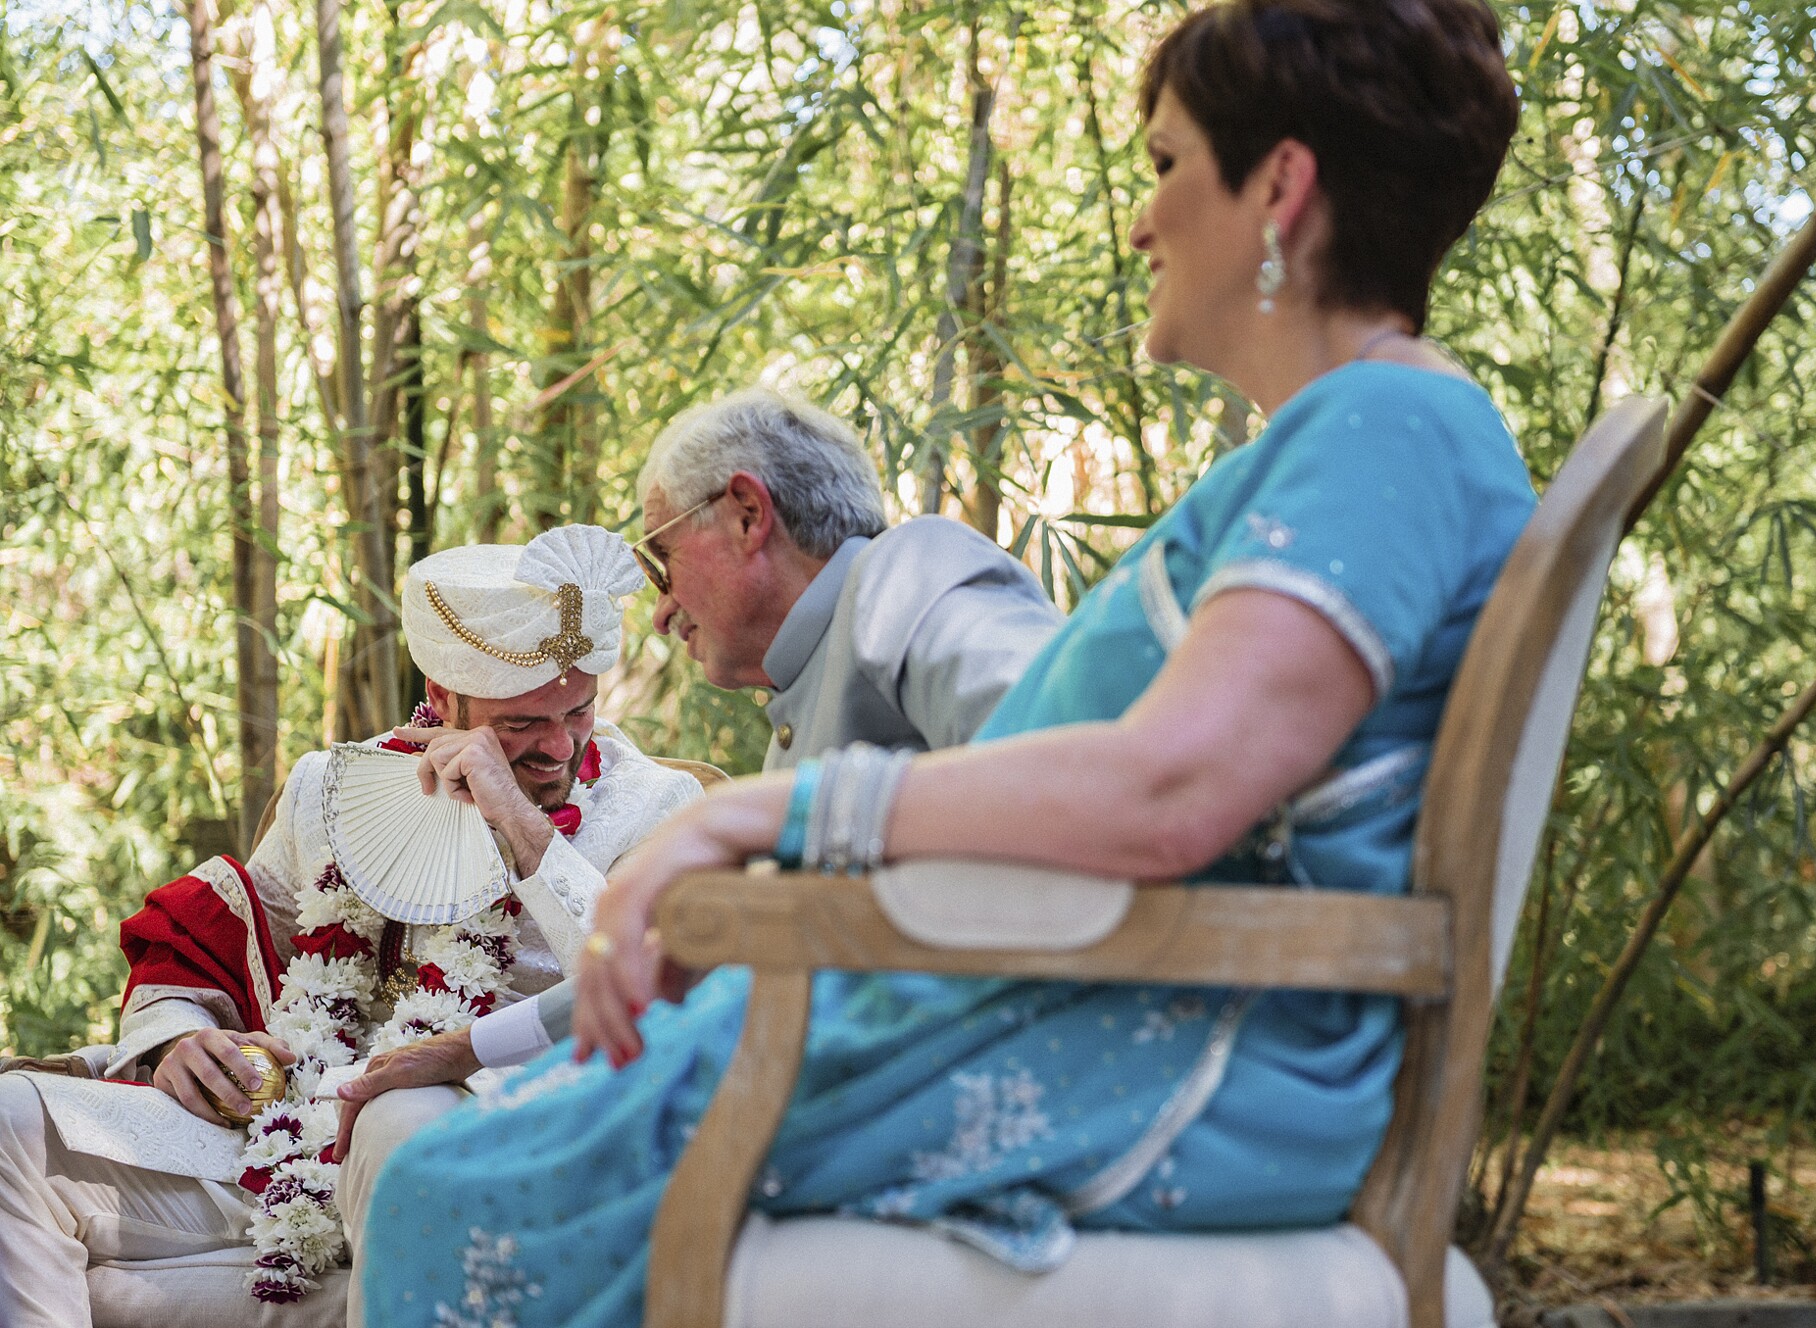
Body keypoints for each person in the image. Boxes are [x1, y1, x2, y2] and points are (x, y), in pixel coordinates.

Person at [361, 0, 1533, 1320]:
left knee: (450, 1193)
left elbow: (1168, 791)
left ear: (1279, 182)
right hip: (1101, 1021)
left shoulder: (1387, 427)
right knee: (473, 1158)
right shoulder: (1350, 439)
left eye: (1163, 166)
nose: (1142, 221)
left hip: (1171, 1063)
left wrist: (756, 824)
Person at [0, 525, 702, 1325]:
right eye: (518, 726)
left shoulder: (654, 809)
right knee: (12, 1122)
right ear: (441, 699)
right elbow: (210, 941)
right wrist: (177, 1039)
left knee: (397, 1129)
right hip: (277, 1146)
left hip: (470, 1145)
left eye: (577, 712)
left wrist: (521, 824)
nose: (556, 746)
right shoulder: (328, 788)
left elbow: (654, 981)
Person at [330, 388, 1064, 1102]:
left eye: (660, 561)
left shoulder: (906, 574)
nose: (660, 612)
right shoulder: (796, 716)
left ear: (747, 514)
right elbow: (695, 964)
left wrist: (762, 818)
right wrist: (464, 1050)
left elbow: (1064, 761)